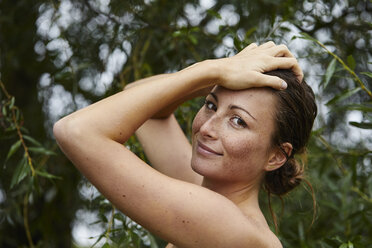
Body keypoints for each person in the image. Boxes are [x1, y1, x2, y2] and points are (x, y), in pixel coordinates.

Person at [53, 41, 317, 248]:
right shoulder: (207, 194)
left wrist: (214, 70)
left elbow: (77, 131)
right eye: (211, 105)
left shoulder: (227, 224)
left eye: (238, 121)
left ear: (276, 156)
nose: (206, 127)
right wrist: (225, 73)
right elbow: (144, 96)